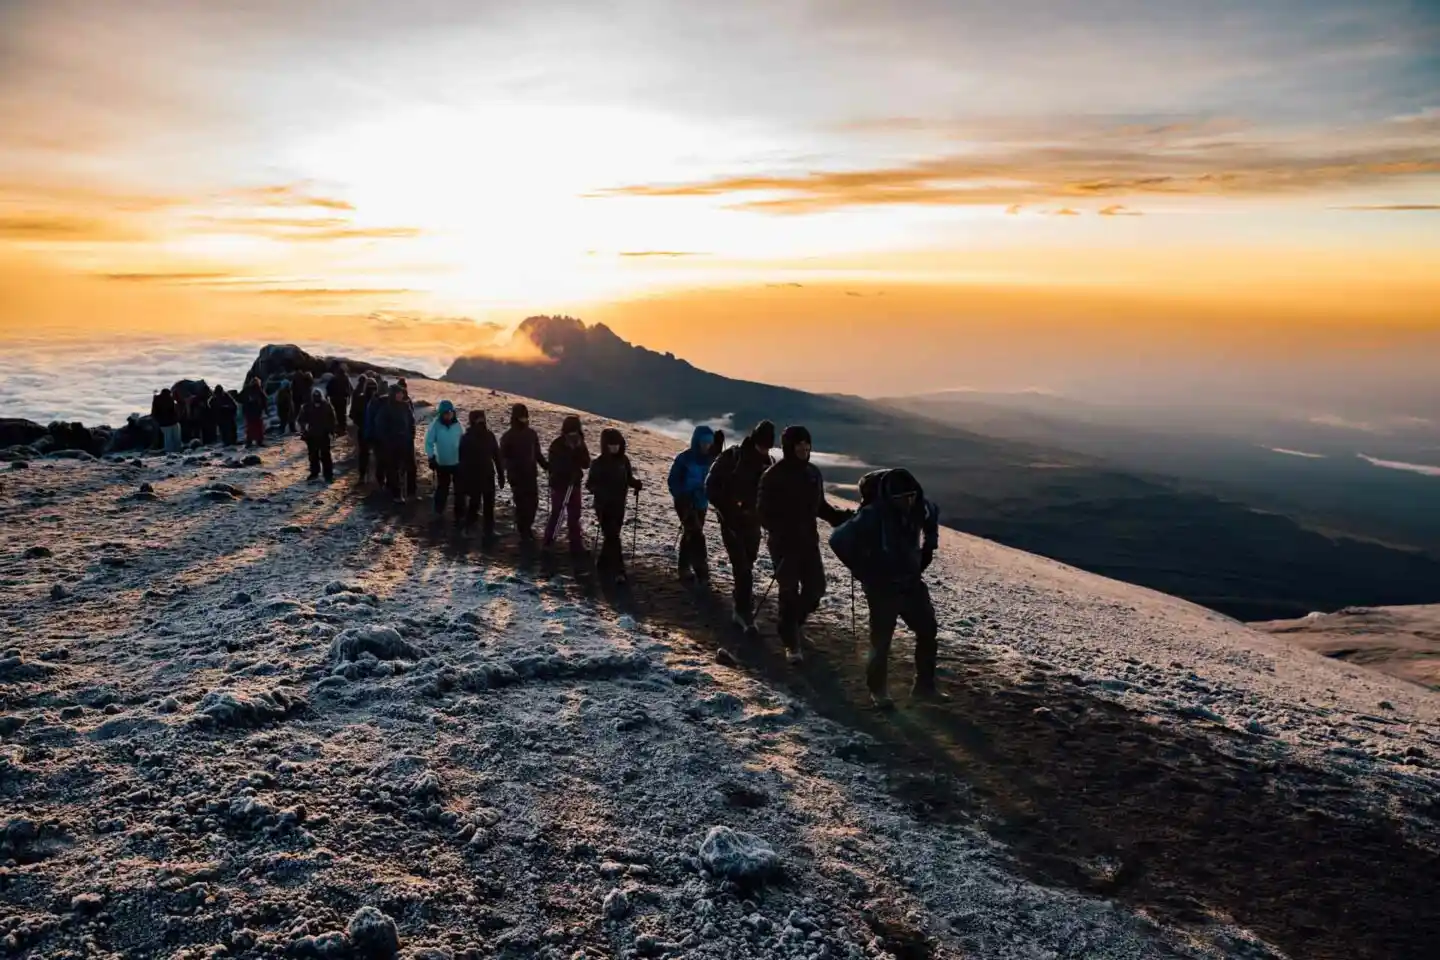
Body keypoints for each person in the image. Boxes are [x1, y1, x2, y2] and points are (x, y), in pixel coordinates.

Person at [830, 469, 942, 708]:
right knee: (881, 641)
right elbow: (838, 540)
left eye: (912, 495)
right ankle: (878, 690)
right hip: (883, 588)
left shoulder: (918, 507)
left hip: (910, 582)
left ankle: (924, 686)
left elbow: (932, 513)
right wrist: (866, 572)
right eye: (904, 497)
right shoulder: (873, 515)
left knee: (928, 630)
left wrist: (929, 547)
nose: (909, 501)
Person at [757, 425, 853, 664]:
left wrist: (840, 518)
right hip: (784, 544)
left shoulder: (813, 472)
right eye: (798, 443)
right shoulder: (773, 475)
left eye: (806, 443)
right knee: (788, 592)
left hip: (808, 542)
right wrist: (782, 529)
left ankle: (790, 625)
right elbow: (763, 513)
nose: (803, 447)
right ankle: (791, 642)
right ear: (789, 446)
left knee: (816, 589)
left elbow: (819, 505)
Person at [706, 420, 776, 633]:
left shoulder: (769, 462)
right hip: (732, 522)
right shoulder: (733, 457)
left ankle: (741, 598)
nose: (764, 449)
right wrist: (728, 511)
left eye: (767, 446)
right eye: (762, 444)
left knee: (749, 562)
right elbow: (711, 485)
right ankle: (743, 612)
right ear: (754, 440)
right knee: (743, 567)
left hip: (753, 523)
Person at [587, 427, 643, 584]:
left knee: (611, 537)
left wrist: (636, 484)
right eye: (611, 444)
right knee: (613, 537)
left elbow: (629, 478)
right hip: (603, 507)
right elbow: (590, 484)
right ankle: (619, 571)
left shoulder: (624, 461)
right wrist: (599, 490)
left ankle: (602, 564)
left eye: (617, 444)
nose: (614, 447)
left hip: (619, 505)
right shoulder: (598, 463)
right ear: (605, 445)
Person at [667, 425, 717, 584]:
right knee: (696, 534)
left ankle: (684, 568)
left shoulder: (711, 460)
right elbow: (673, 480)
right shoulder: (685, 459)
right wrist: (683, 496)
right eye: (704, 442)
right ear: (697, 441)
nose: (707, 445)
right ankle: (701, 571)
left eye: (709, 442)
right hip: (685, 502)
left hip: (701, 502)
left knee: (691, 534)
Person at [500, 404, 548, 541]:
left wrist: (546, 467)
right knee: (522, 505)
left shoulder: (532, 434)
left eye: (525, 416)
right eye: (521, 416)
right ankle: (524, 531)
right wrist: (504, 472)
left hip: (531, 474)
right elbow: (502, 457)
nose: (524, 419)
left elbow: (537, 454)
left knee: (533, 503)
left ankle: (526, 528)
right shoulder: (508, 436)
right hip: (516, 476)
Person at [543, 415, 590, 551]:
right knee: (557, 513)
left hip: (574, 485)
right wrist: (568, 469)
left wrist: (578, 452)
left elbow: (586, 463)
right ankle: (548, 541)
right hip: (560, 485)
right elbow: (554, 465)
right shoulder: (557, 445)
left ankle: (575, 544)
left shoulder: (580, 444)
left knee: (574, 515)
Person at [457, 410, 505, 539]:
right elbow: (462, 460)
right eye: (478, 419)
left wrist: (501, 474)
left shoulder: (489, 436)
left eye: (482, 419)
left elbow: (497, 456)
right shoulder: (466, 438)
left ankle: (488, 530)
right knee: (475, 503)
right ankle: (467, 528)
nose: (481, 421)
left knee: (489, 504)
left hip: (488, 474)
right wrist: (462, 479)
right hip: (473, 476)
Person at [373, 383, 417, 502]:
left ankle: (411, 493)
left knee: (411, 467)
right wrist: (388, 440)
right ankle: (396, 494)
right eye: (398, 393)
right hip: (393, 444)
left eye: (401, 393)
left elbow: (411, 421)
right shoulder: (386, 408)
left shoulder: (405, 406)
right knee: (394, 469)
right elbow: (380, 426)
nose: (400, 395)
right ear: (393, 394)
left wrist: (411, 434)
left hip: (407, 442)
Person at [424, 399, 464, 517]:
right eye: (446, 413)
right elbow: (428, 443)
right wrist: (431, 457)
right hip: (442, 463)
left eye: (450, 412)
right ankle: (438, 511)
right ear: (441, 414)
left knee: (460, 490)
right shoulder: (435, 425)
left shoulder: (458, 425)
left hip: (457, 462)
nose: (448, 415)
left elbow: (463, 441)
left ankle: (460, 513)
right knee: (442, 488)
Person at [298, 388, 336, 481]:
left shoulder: (326, 406)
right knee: (313, 455)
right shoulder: (307, 406)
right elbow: (301, 419)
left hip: (324, 434)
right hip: (312, 435)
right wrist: (304, 430)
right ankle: (314, 472)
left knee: (325, 455)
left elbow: (332, 419)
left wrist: (331, 430)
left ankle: (328, 474)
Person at [353, 379, 377, 481]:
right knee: (370, 454)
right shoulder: (377, 400)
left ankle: (365, 476)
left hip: (366, 430)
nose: (372, 390)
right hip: (371, 431)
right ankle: (369, 476)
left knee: (364, 454)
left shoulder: (360, 399)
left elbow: (353, 415)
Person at [240, 377, 268, 448]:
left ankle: (251, 442)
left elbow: (264, 399)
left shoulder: (250, 389)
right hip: (253, 411)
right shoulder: (255, 390)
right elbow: (264, 399)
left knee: (253, 427)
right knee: (255, 427)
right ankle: (255, 442)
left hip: (252, 412)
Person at [152, 388, 181, 453]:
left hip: (164, 424)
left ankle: (170, 452)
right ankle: (177, 451)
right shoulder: (170, 399)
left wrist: (158, 421)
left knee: (168, 439)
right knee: (176, 438)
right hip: (173, 422)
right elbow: (174, 411)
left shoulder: (156, 400)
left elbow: (154, 413)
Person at [326, 363, 351, 437]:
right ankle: (342, 428)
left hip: (335, 399)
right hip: (343, 399)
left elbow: (328, 388)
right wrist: (348, 395)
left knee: (337, 413)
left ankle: (339, 428)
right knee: (342, 413)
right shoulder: (345, 378)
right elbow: (349, 388)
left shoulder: (334, 378)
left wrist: (329, 395)